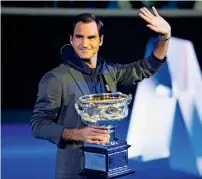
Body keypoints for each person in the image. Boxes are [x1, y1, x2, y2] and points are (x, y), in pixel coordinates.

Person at [30, 6, 171, 179]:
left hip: (106, 171)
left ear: (100, 40)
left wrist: (165, 38)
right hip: (74, 172)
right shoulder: (55, 78)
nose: (85, 43)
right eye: (79, 37)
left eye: (91, 37)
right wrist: (78, 134)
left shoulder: (110, 71)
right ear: (71, 39)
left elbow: (146, 68)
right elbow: (38, 125)